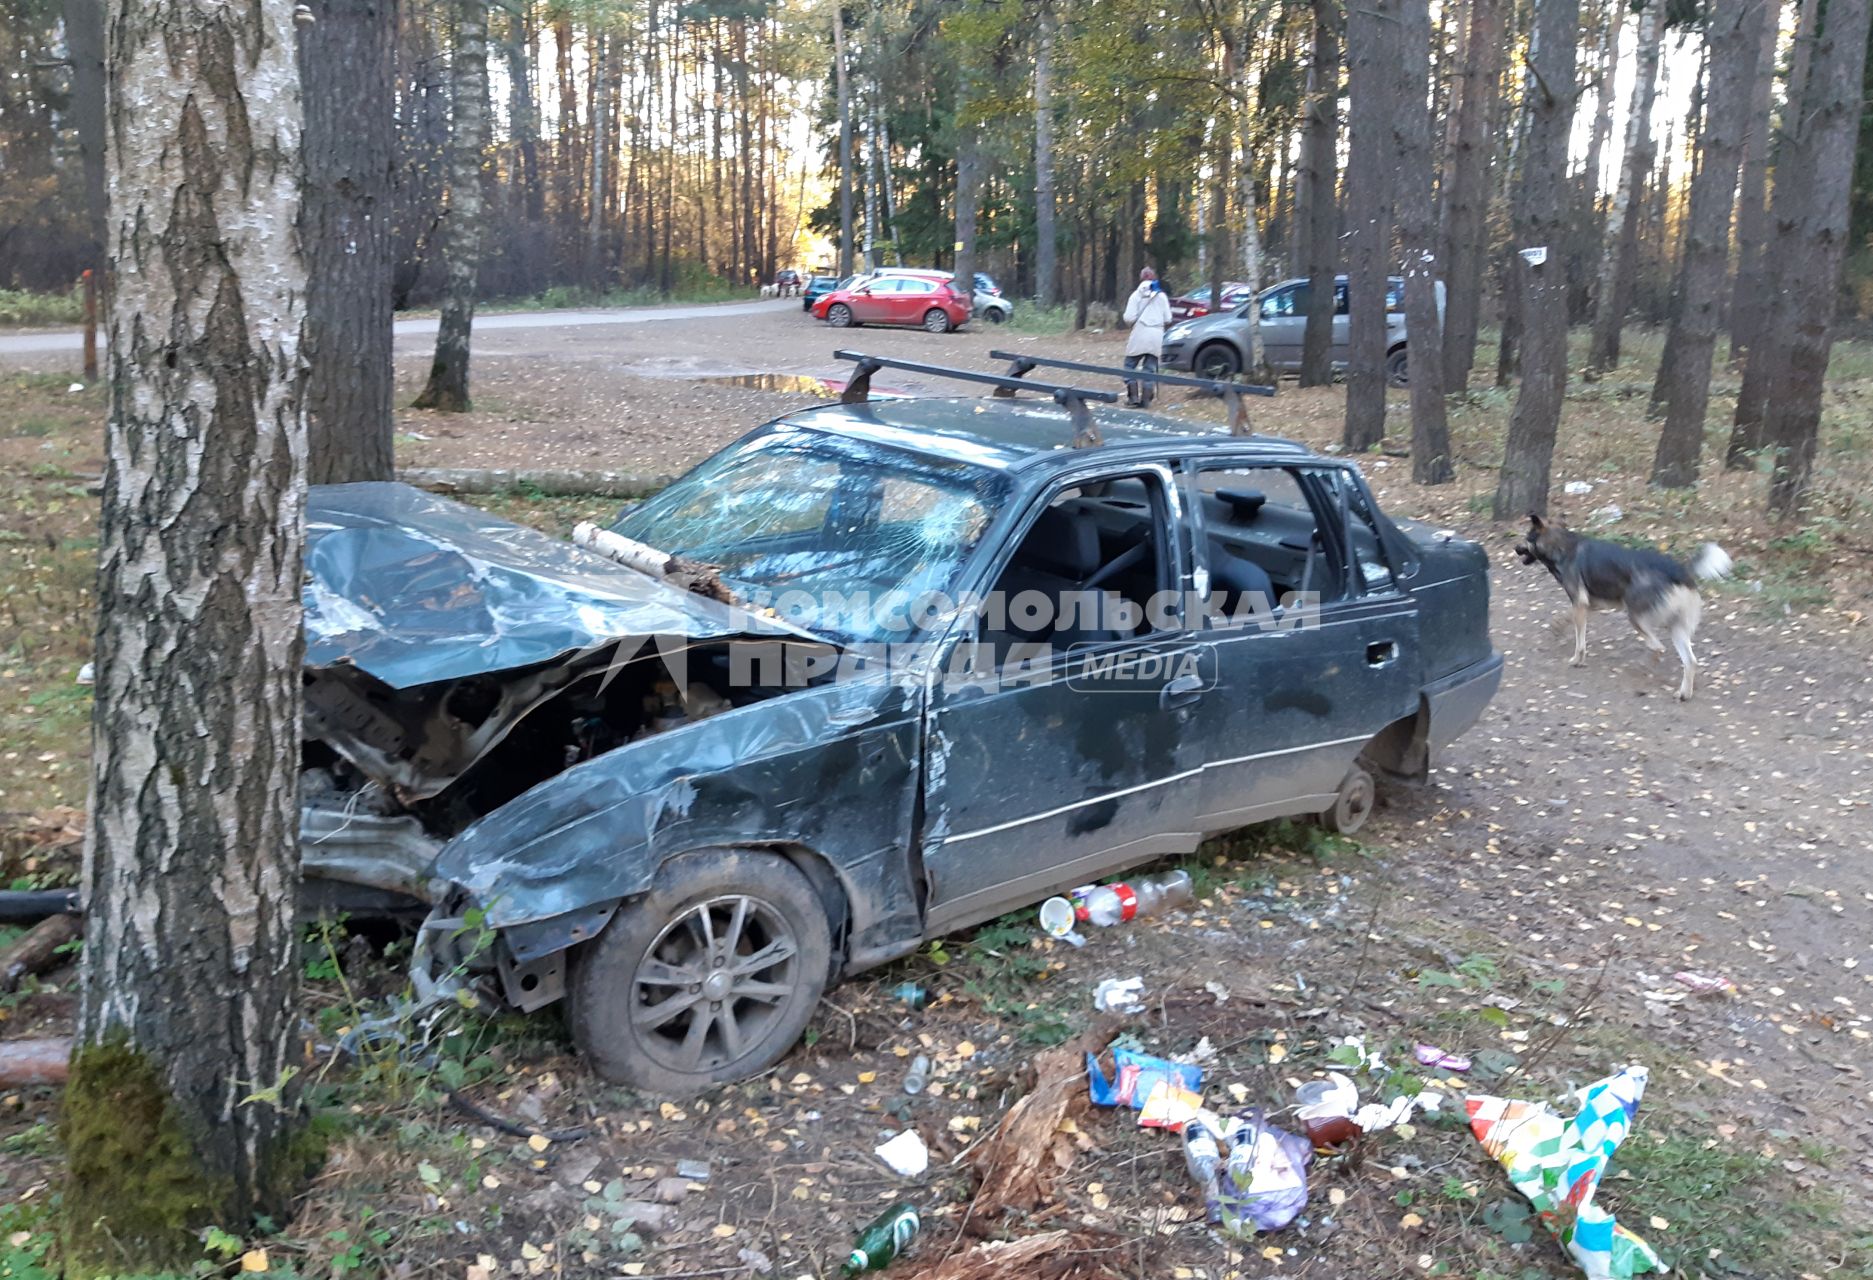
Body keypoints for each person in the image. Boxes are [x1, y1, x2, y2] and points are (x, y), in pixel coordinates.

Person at [1122, 268, 1172, 407]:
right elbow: (1168, 318)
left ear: (1141, 278)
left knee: (1129, 365)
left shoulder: (1136, 295)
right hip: (1156, 335)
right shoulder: (1161, 296)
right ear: (1153, 278)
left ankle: (1133, 397)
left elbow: (1129, 317)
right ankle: (1146, 400)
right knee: (1149, 369)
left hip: (1140, 333)